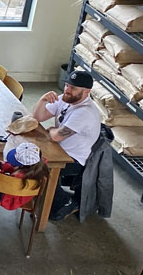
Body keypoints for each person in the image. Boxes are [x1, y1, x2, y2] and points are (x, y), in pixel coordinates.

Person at [33, 69, 102, 221]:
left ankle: (66, 201)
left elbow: (57, 136)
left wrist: (51, 130)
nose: (68, 90)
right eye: (67, 85)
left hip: (73, 158)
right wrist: (43, 100)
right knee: (28, 155)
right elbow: (37, 117)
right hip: (58, 150)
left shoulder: (85, 112)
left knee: (41, 168)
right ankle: (41, 193)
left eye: (73, 88)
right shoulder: (66, 99)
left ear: (86, 92)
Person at [0, 142, 48, 209]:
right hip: (25, 196)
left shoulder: (17, 176)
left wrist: (0, 172)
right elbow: (16, 170)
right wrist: (5, 166)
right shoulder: (38, 169)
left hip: (9, 199)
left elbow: (5, 183)